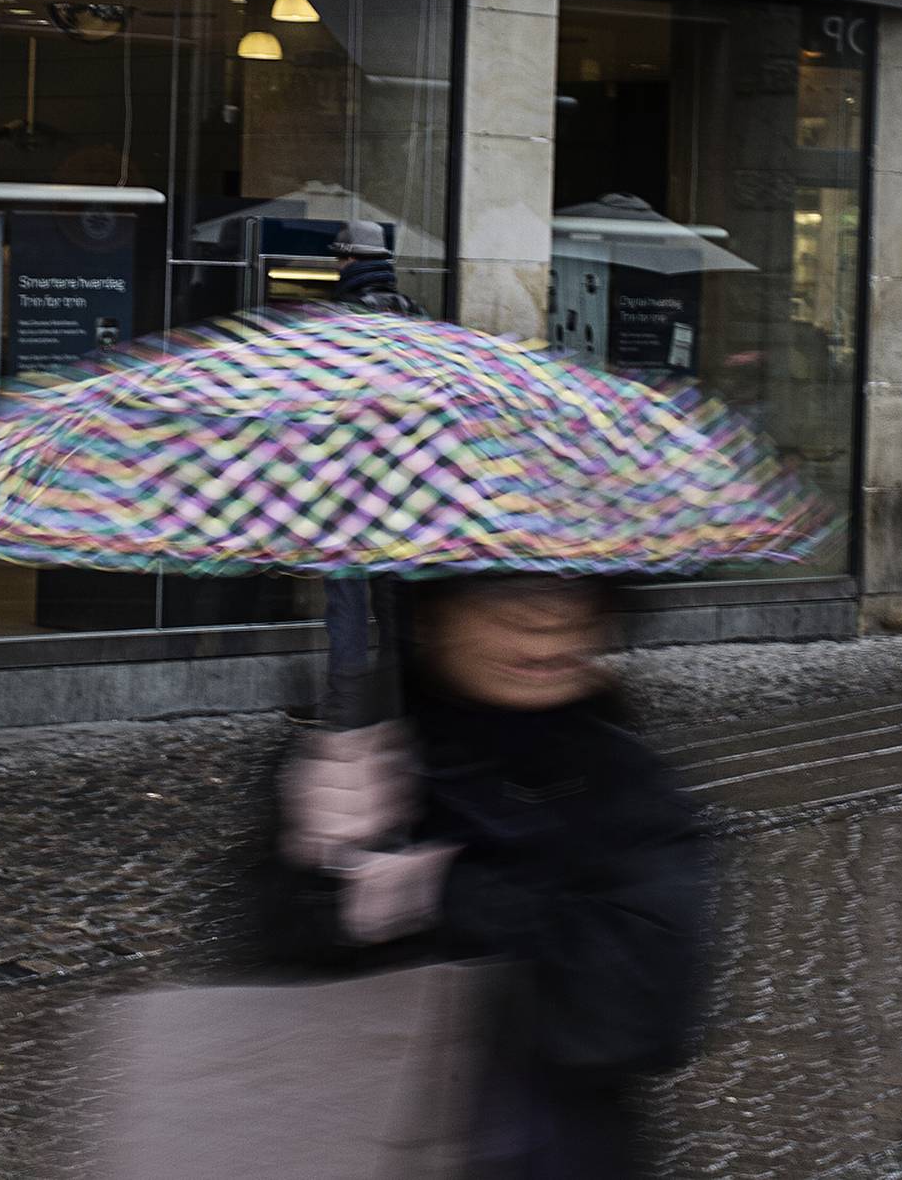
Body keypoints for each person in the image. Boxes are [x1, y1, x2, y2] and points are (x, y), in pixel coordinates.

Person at [256, 574, 714, 1176]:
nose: (546, 617)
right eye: (499, 587)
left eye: (577, 588)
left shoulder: (629, 785)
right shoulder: (349, 768)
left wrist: (444, 894)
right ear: (427, 611)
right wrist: (317, 873)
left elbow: (645, 1015)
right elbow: (272, 1004)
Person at [316, 220, 420, 723]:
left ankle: (348, 706)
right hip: (403, 483)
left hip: (348, 483)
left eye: (339, 259)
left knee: (347, 602)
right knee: (397, 601)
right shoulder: (416, 319)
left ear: (349, 262)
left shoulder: (338, 322)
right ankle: (399, 702)